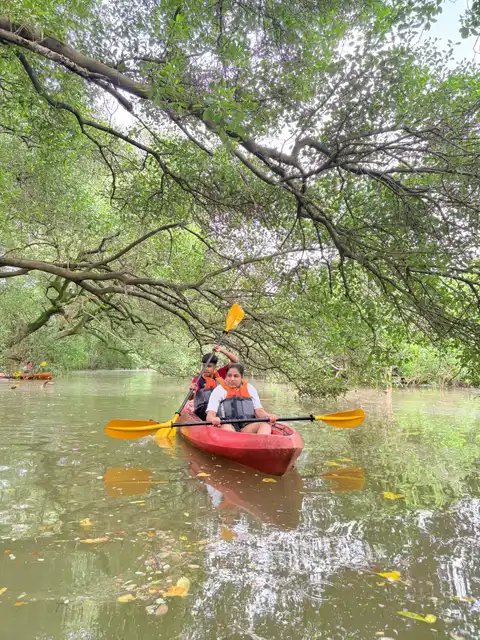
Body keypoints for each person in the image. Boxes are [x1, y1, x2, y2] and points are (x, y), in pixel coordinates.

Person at [206, 363, 277, 435]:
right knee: (227, 428)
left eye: (236, 376)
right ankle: (233, 440)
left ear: (242, 377)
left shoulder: (250, 388)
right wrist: (213, 419)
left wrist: (268, 416)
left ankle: (262, 441)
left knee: (265, 424)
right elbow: (210, 415)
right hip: (227, 424)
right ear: (225, 376)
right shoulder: (219, 390)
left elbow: (259, 411)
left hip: (247, 426)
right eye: (229, 375)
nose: (232, 379)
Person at [191, 345, 239, 421]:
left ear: (215, 367)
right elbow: (190, 398)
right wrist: (192, 391)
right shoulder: (197, 379)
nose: (206, 369)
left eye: (209, 366)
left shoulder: (220, 373)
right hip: (202, 411)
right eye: (204, 366)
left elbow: (235, 361)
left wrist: (222, 350)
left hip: (219, 410)